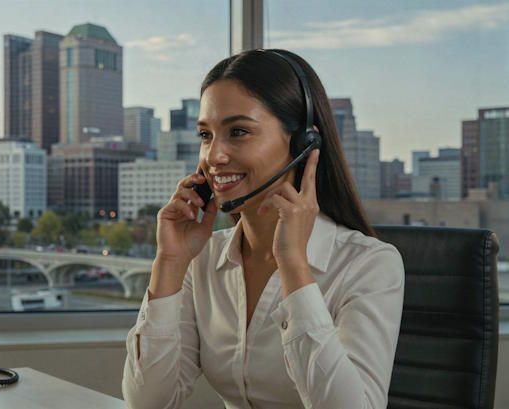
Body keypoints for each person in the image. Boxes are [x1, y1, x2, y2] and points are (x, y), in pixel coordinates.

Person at [121, 49, 405, 409]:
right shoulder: (204, 258)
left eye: (238, 132)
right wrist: (170, 263)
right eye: (206, 135)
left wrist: (294, 266)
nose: (213, 156)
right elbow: (148, 404)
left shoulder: (370, 265)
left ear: (305, 143)